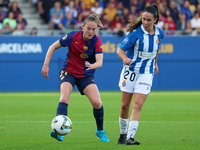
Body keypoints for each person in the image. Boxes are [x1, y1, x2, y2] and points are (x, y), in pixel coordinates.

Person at [41, 14, 110, 143]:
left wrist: (92, 65)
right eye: (88, 28)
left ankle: (100, 131)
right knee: (64, 97)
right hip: (69, 72)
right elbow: (52, 47)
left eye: (93, 29)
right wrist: (45, 65)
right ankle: (58, 131)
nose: (90, 32)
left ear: (96, 30)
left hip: (86, 75)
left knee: (97, 103)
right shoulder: (73, 36)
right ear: (83, 26)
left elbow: (100, 62)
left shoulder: (97, 41)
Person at [116, 4, 164, 145]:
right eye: (144, 19)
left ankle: (130, 137)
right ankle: (122, 135)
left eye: (149, 20)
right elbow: (119, 50)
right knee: (125, 105)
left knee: (137, 105)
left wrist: (155, 63)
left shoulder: (160, 33)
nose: (145, 22)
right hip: (130, 72)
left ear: (155, 20)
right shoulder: (135, 34)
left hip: (146, 74)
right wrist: (124, 58)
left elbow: (155, 50)